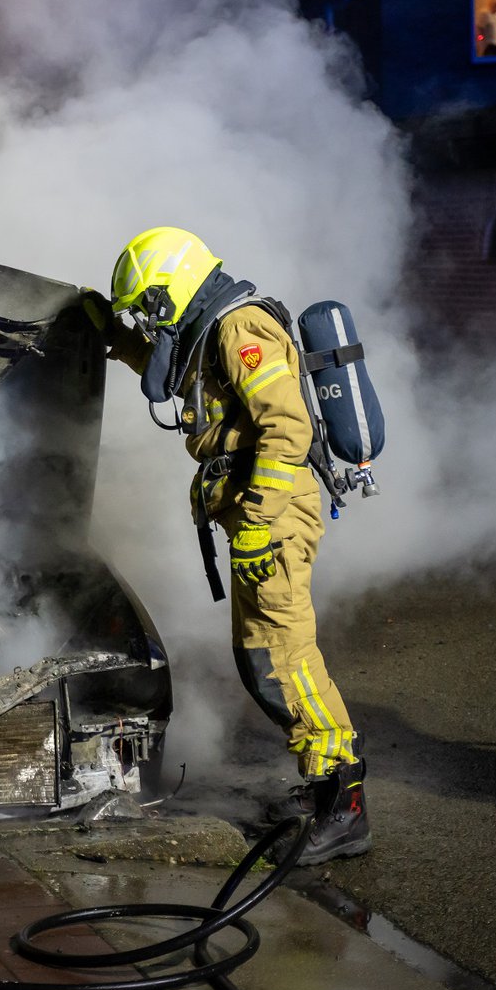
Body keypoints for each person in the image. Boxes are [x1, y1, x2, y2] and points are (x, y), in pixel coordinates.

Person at [106, 227, 369, 865]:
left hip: (273, 516)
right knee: (260, 659)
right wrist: (121, 342)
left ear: (171, 289)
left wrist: (255, 522)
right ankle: (322, 787)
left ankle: (346, 804)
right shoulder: (209, 330)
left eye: (147, 307)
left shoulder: (239, 328)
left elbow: (287, 429)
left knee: (287, 656)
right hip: (257, 516)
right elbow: (194, 391)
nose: (148, 321)